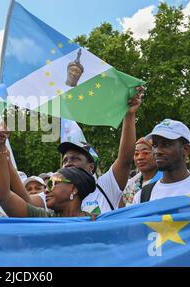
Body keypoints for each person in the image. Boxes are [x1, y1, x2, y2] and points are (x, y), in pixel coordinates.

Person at [56, 87, 144, 215]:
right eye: (65, 160)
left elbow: (125, 159)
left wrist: (129, 115)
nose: (68, 163)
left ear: (91, 167)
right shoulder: (54, 192)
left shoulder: (105, 187)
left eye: (75, 159)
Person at [0, 127, 96, 218]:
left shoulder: (96, 222)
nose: (46, 191)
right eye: (46, 186)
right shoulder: (43, 218)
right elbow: (4, 196)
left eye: (52, 184)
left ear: (73, 189)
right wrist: (0, 147)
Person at [132, 119, 190, 204]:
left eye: (165, 145)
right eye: (155, 145)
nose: (158, 151)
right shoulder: (142, 197)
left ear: (186, 149)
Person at [120, 137, 163, 207]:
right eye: (136, 154)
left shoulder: (167, 181)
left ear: (157, 154)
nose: (140, 157)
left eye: (145, 153)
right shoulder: (129, 185)